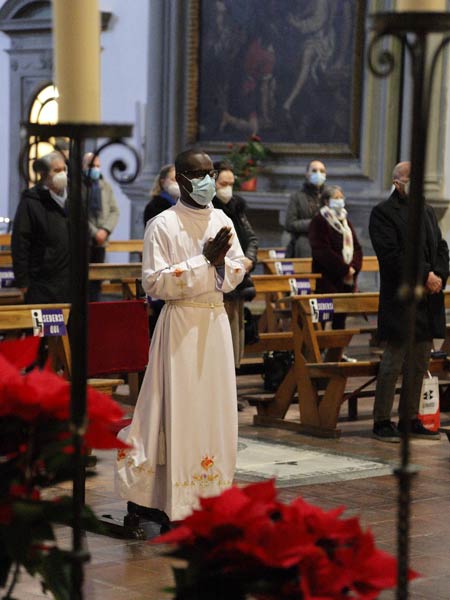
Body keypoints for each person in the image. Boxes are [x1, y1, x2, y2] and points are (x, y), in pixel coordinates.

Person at [116, 148, 246, 524]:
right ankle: (170, 499)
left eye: (211, 172)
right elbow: (154, 282)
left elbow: (236, 271)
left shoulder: (223, 220)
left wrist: (221, 265)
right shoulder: (162, 224)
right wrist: (201, 261)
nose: (206, 180)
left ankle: (213, 495)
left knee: (215, 411)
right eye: (198, 173)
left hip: (215, 322)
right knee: (176, 410)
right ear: (182, 179)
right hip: (180, 327)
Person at [369, 161, 448, 442]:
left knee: (419, 361)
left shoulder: (426, 210)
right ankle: (381, 421)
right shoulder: (383, 213)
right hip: (400, 300)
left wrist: (438, 274)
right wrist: (424, 275)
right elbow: (391, 256)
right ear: (397, 182)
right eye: (409, 178)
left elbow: (440, 246)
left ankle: (410, 418)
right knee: (393, 362)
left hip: (427, 300)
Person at [213, 161, 258, 368]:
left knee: (235, 335)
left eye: (231, 183)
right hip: (221, 280)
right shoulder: (210, 208)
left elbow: (251, 238)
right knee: (221, 339)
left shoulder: (237, 207)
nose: (227, 188)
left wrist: (248, 260)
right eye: (223, 183)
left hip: (240, 277)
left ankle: (232, 389)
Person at [11, 151, 71, 304]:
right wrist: (23, 281)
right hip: (41, 283)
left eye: (64, 169)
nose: (62, 174)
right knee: (43, 327)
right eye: (56, 170)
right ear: (45, 175)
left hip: (69, 281)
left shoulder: (73, 200)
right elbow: (20, 242)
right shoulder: (31, 202)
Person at [308, 185, 363, 330]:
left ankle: (336, 353)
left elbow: (357, 248)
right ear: (326, 201)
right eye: (336, 198)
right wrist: (344, 269)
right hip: (328, 278)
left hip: (345, 279)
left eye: (341, 197)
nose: (339, 201)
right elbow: (322, 250)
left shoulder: (345, 221)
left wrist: (354, 267)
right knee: (323, 318)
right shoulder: (320, 221)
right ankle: (318, 351)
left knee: (340, 321)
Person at [82, 152, 120, 302]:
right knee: (82, 281)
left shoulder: (105, 186)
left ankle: (94, 311)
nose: (96, 169)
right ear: (84, 167)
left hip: (101, 242)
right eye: (92, 166)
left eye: (98, 166)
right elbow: (78, 212)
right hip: (84, 241)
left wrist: (105, 230)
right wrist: (94, 232)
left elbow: (114, 210)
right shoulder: (78, 186)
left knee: (96, 283)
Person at [284, 159, 327, 257]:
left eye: (322, 171)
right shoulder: (297, 196)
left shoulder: (329, 196)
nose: (318, 174)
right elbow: (289, 224)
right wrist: (314, 223)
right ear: (307, 174)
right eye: (314, 171)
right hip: (304, 245)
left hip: (326, 246)